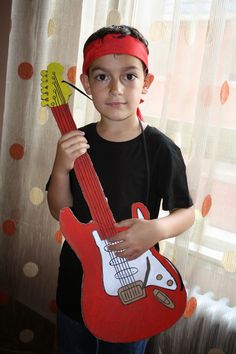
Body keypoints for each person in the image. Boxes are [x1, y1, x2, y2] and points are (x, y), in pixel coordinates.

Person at [47, 25, 195, 354]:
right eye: (102, 77)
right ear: (86, 83)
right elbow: (58, 211)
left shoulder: (160, 149)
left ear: (146, 83)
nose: (115, 89)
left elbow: (186, 213)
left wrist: (155, 228)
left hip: (137, 287)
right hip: (77, 285)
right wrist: (60, 167)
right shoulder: (75, 142)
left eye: (128, 76)